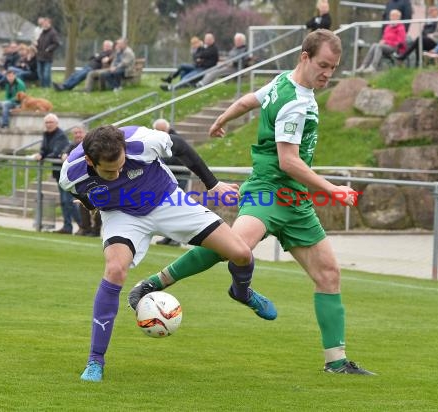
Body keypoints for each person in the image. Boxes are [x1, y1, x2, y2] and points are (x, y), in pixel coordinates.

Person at [129, 29, 375, 376]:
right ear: (304, 57)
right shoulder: (295, 101)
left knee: (329, 274)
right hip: (269, 191)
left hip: (295, 201)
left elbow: (249, 101)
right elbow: (288, 161)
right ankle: (153, 284)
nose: (327, 73)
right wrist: (333, 189)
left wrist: (221, 120)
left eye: (333, 68)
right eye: (323, 65)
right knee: (233, 245)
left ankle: (336, 362)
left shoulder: (281, 83)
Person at [59, 125, 276, 382]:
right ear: (89, 161)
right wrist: (92, 204)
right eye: (109, 171)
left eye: (121, 165)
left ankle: (241, 292)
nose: (117, 173)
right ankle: (95, 361)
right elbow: (82, 194)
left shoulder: (142, 142)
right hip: (122, 214)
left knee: (241, 252)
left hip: (167, 201)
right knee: (115, 270)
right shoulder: (69, 175)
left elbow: (181, 147)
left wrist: (212, 184)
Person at [34, 114, 81, 234]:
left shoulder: (60, 136)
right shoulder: (46, 135)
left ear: (56, 123)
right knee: (65, 200)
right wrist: (41, 154)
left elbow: (56, 152)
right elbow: (44, 149)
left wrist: (43, 156)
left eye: (51, 122)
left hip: (66, 173)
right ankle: (69, 227)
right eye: (47, 122)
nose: (48, 125)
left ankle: (82, 225)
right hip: (57, 173)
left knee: (68, 201)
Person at [152, 118, 191, 246]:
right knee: (168, 208)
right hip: (170, 177)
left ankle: (177, 239)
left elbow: (174, 159)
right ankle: (169, 237)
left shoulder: (174, 140)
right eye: (158, 130)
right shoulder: (160, 139)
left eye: (162, 130)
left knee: (177, 208)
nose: (160, 132)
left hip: (180, 176)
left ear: (167, 129)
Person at [61, 125, 100, 236]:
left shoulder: (93, 144)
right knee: (83, 203)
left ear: (86, 133)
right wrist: (64, 154)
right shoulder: (73, 145)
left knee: (99, 203)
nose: (78, 135)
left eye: (80, 132)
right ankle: (85, 228)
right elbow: (65, 152)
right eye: (75, 133)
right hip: (83, 182)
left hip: (96, 178)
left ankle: (96, 230)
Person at [357, 9, 406, 73]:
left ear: (398, 17)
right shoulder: (388, 26)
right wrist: (383, 41)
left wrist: (386, 42)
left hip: (394, 48)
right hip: (385, 46)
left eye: (393, 16)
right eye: (391, 16)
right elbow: (385, 38)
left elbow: (400, 42)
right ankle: (363, 66)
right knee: (375, 45)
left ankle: (373, 67)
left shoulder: (401, 28)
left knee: (379, 46)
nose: (391, 17)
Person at [36, 17, 60, 88]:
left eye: (46, 23)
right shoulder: (42, 33)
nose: (45, 25)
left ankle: (47, 87)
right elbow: (39, 42)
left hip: (47, 57)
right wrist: (36, 44)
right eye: (43, 24)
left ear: (50, 24)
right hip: (39, 56)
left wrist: (49, 49)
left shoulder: (53, 33)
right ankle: (42, 86)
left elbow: (56, 43)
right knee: (40, 73)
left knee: (46, 74)